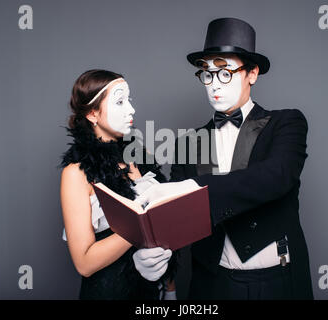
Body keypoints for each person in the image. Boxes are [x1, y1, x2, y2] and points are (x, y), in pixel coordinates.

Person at [134, 18, 314, 300]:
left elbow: (276, 177)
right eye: (207, 73)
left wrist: (190, 188)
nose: (213, 84)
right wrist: (152, 259)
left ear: (252, 73)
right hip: (212, 286)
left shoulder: (286, 122)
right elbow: (174, 222)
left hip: (277, 283)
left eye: (225, 72)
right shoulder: (188, 142)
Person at [59, 69, 177, 300]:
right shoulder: (76, 173)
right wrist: (141, 225)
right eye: (120, 102)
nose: (131, 109)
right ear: (93, 114)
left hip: (152, 294)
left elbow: (165, 234)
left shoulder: (142, 156)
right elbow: (84, 263)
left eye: (129, 100)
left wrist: (170, 290)